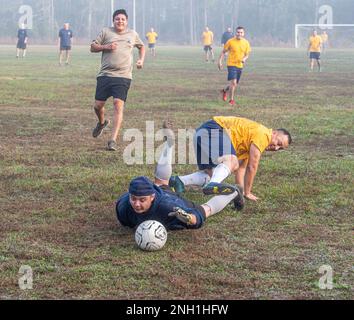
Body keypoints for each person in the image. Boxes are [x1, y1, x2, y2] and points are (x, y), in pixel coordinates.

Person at [116, 124, 244, 230]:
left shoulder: (168, 207)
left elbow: (197, 218)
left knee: (205, 209)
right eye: (134, 198)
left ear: (152, 197)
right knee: (160, 182)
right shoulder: (124, 207)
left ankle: (233, 192)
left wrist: (191, 218)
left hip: (167, 198)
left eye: (142, 200)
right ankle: (169, 144)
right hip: (159, 190)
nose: (136, 204)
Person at [169, 116, 292, 202]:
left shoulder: (250, 141)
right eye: (278, 142)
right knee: (231, 162)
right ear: (274, 133)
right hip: (214, 129)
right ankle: (212, 185)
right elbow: (252, 166)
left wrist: (241, 193)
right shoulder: (264, 134)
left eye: (280, 148)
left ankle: (179, 181)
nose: (276, 148)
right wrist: (248, 192)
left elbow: (241, 169)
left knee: (210, 173)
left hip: (202, 132)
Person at [90, 9, 145, 151]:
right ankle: (102, 123)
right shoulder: (106, 32)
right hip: (105, 75)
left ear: (126, 21)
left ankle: (112, 140)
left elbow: (141, 46)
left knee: (117, 104)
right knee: (98, 105)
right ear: (113, 20)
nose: (120, 21)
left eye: (122, 19)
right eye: (117, 19)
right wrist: (106, 47)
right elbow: (93, 47)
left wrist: (141, 60)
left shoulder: (132, 34)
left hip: (123, 76)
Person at [218, 26, 251, 106]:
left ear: (243, 33)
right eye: (238, 32)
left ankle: (225, 91)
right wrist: (219, 61)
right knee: (234, 82)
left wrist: (244, 59)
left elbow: (247, 54)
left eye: (241, 32)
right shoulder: (230, 41)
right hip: (231, 64)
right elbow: (223, 52)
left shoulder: (246, 43)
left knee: (234, 84)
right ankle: (231, 100)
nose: (239, 34)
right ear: (235, 33)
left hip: (240, 65)